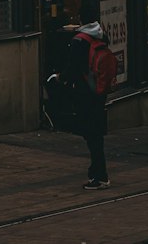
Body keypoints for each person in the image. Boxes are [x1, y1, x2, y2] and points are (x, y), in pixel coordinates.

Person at [62, 12, 116, 190]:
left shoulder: (80, 40)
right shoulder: (101, 36)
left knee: (92, 135)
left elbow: (73, 68)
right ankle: (98, 173)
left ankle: (100, 176)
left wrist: (60, 78)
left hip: (86, 93)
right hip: (99, 92)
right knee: (96, 135)